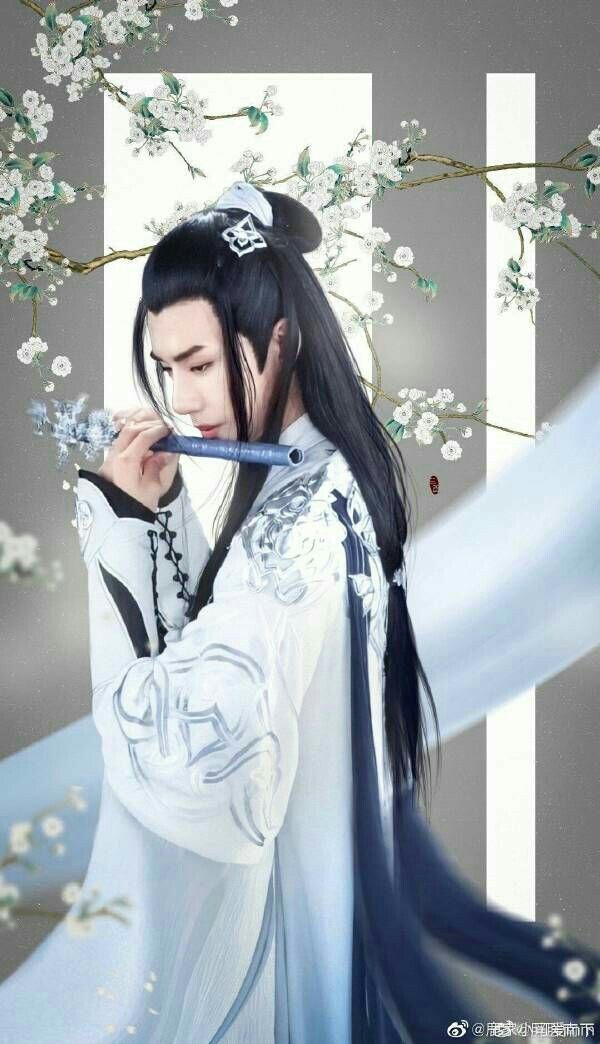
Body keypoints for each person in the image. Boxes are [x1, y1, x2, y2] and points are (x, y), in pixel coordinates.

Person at [1, 180, 600, 1043]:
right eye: (168, 370)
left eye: (202, 364)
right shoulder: (323, 477)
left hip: (313, 892)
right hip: (340, 860)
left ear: (281, 337)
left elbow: (192, 737)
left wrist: (123, 526)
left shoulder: (301, 516)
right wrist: (167, 512)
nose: (184, 401)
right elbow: (226, 636)